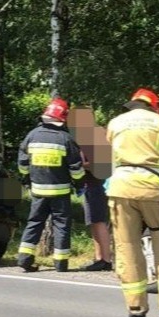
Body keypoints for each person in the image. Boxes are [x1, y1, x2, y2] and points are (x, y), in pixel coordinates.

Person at [106, 88, 159, 317]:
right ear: (153, 105)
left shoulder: (115, 123)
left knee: (127, 248)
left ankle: (136, 310)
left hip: (120, 190)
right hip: (153, 190)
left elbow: (104, 162)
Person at [16, 98, 85, 273]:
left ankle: (24, 259)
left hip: (38, 190)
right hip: (60, 192)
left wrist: (26, 179)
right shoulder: (66, 139)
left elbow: (22, 163)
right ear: (62, 118)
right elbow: (76, 168)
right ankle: (61, 264)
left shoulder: (32, 135)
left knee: (34, 222)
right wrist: (79, 184)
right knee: (61, 225)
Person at [68, 106, 113, 272]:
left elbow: (101, 164)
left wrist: (78, 166)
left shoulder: (95, 136)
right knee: (93, 221)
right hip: (90, 185)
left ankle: (106, 259)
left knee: (99, 221)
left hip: (97, 185)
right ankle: (99, 257)